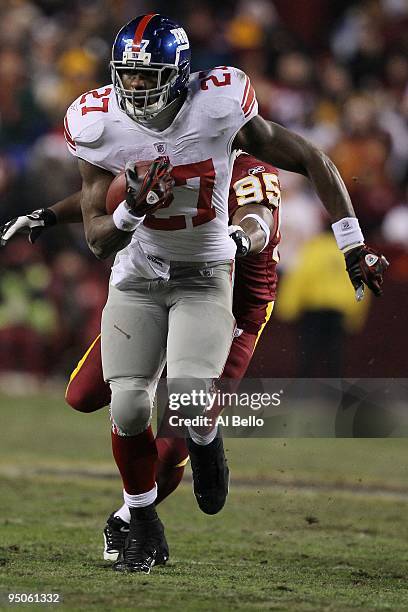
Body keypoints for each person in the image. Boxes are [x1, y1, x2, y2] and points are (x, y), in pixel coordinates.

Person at [0, 13, 388, 574]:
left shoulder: (224, 113)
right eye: (126, 77)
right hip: (139, 275)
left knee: (185, 400)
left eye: (147, 75)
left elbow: (286, 184)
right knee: (127, 404)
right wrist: (124, 208)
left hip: (213, 278)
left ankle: (202, 440)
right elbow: (96, 227)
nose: (134, 89)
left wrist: (350, 243)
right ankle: (142, 519)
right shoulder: (97, 122)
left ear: (180, 74)